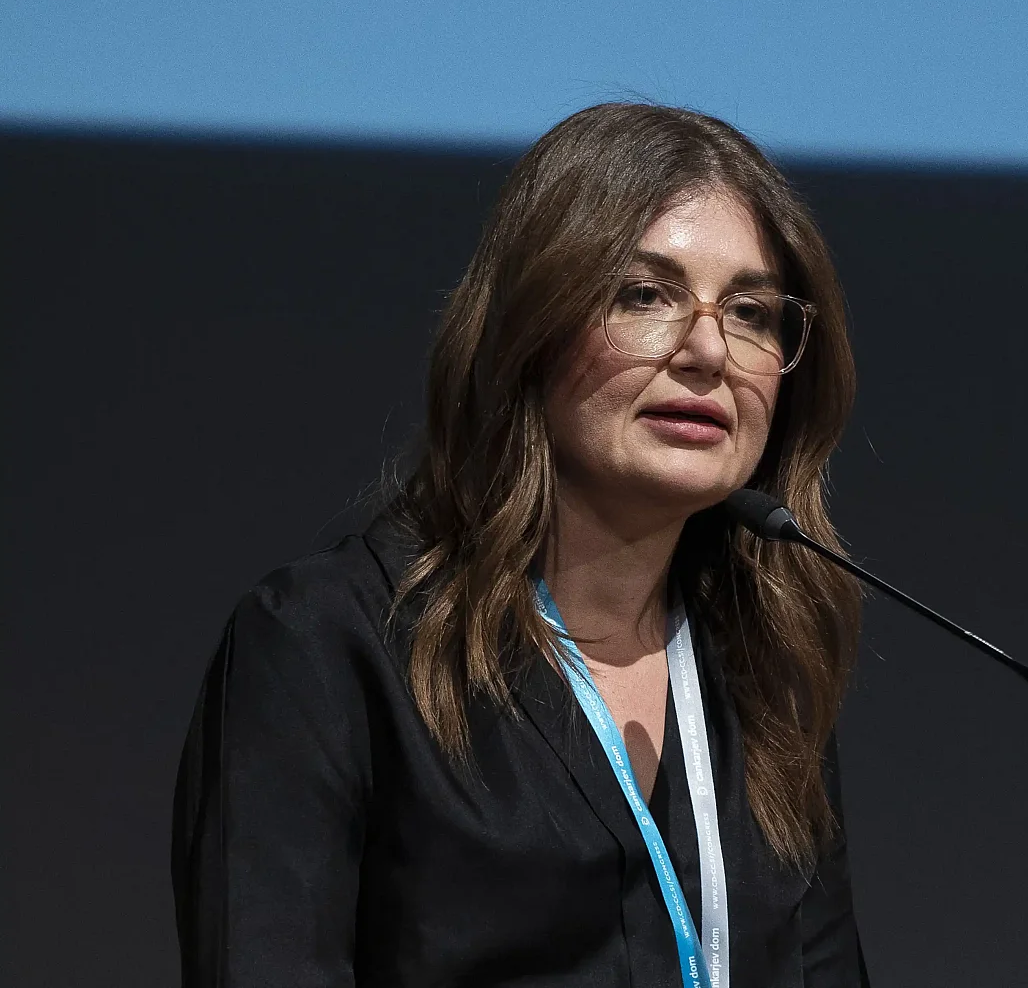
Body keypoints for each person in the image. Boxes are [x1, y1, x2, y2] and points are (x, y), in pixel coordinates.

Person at [171, 103, 870, 987]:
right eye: (644, 295)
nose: (709, 349)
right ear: (530, 328)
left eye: (752, 311)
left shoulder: (766, 682)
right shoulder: (325, 648)